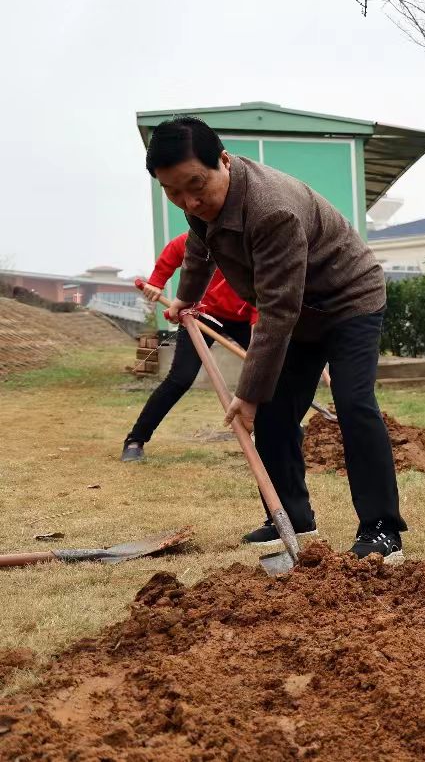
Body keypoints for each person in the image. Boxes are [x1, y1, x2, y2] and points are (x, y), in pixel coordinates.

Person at [147, 116, 406, 561]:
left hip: (348, 300)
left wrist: (246, 393)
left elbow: (277, 310)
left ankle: (382, 528)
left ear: (224, 161)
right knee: (274, 412)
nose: (188, 201)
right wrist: (185, 300)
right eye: (172, 192)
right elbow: (199, 249)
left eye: (195, 186)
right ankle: (292, 515)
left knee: (353, 403)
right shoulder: (199, 204)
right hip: (300, 311)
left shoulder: (271, 208)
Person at [122, 233, 258, 462]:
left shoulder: (260, 246)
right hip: (203, 313)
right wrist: (156, 281)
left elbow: (262, 298)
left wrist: (259, 348)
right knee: (181, 378)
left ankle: (275, 438)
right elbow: (175, 250)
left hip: (245, 317)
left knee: (274, 372)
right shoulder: (209, 236)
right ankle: (136, 439)